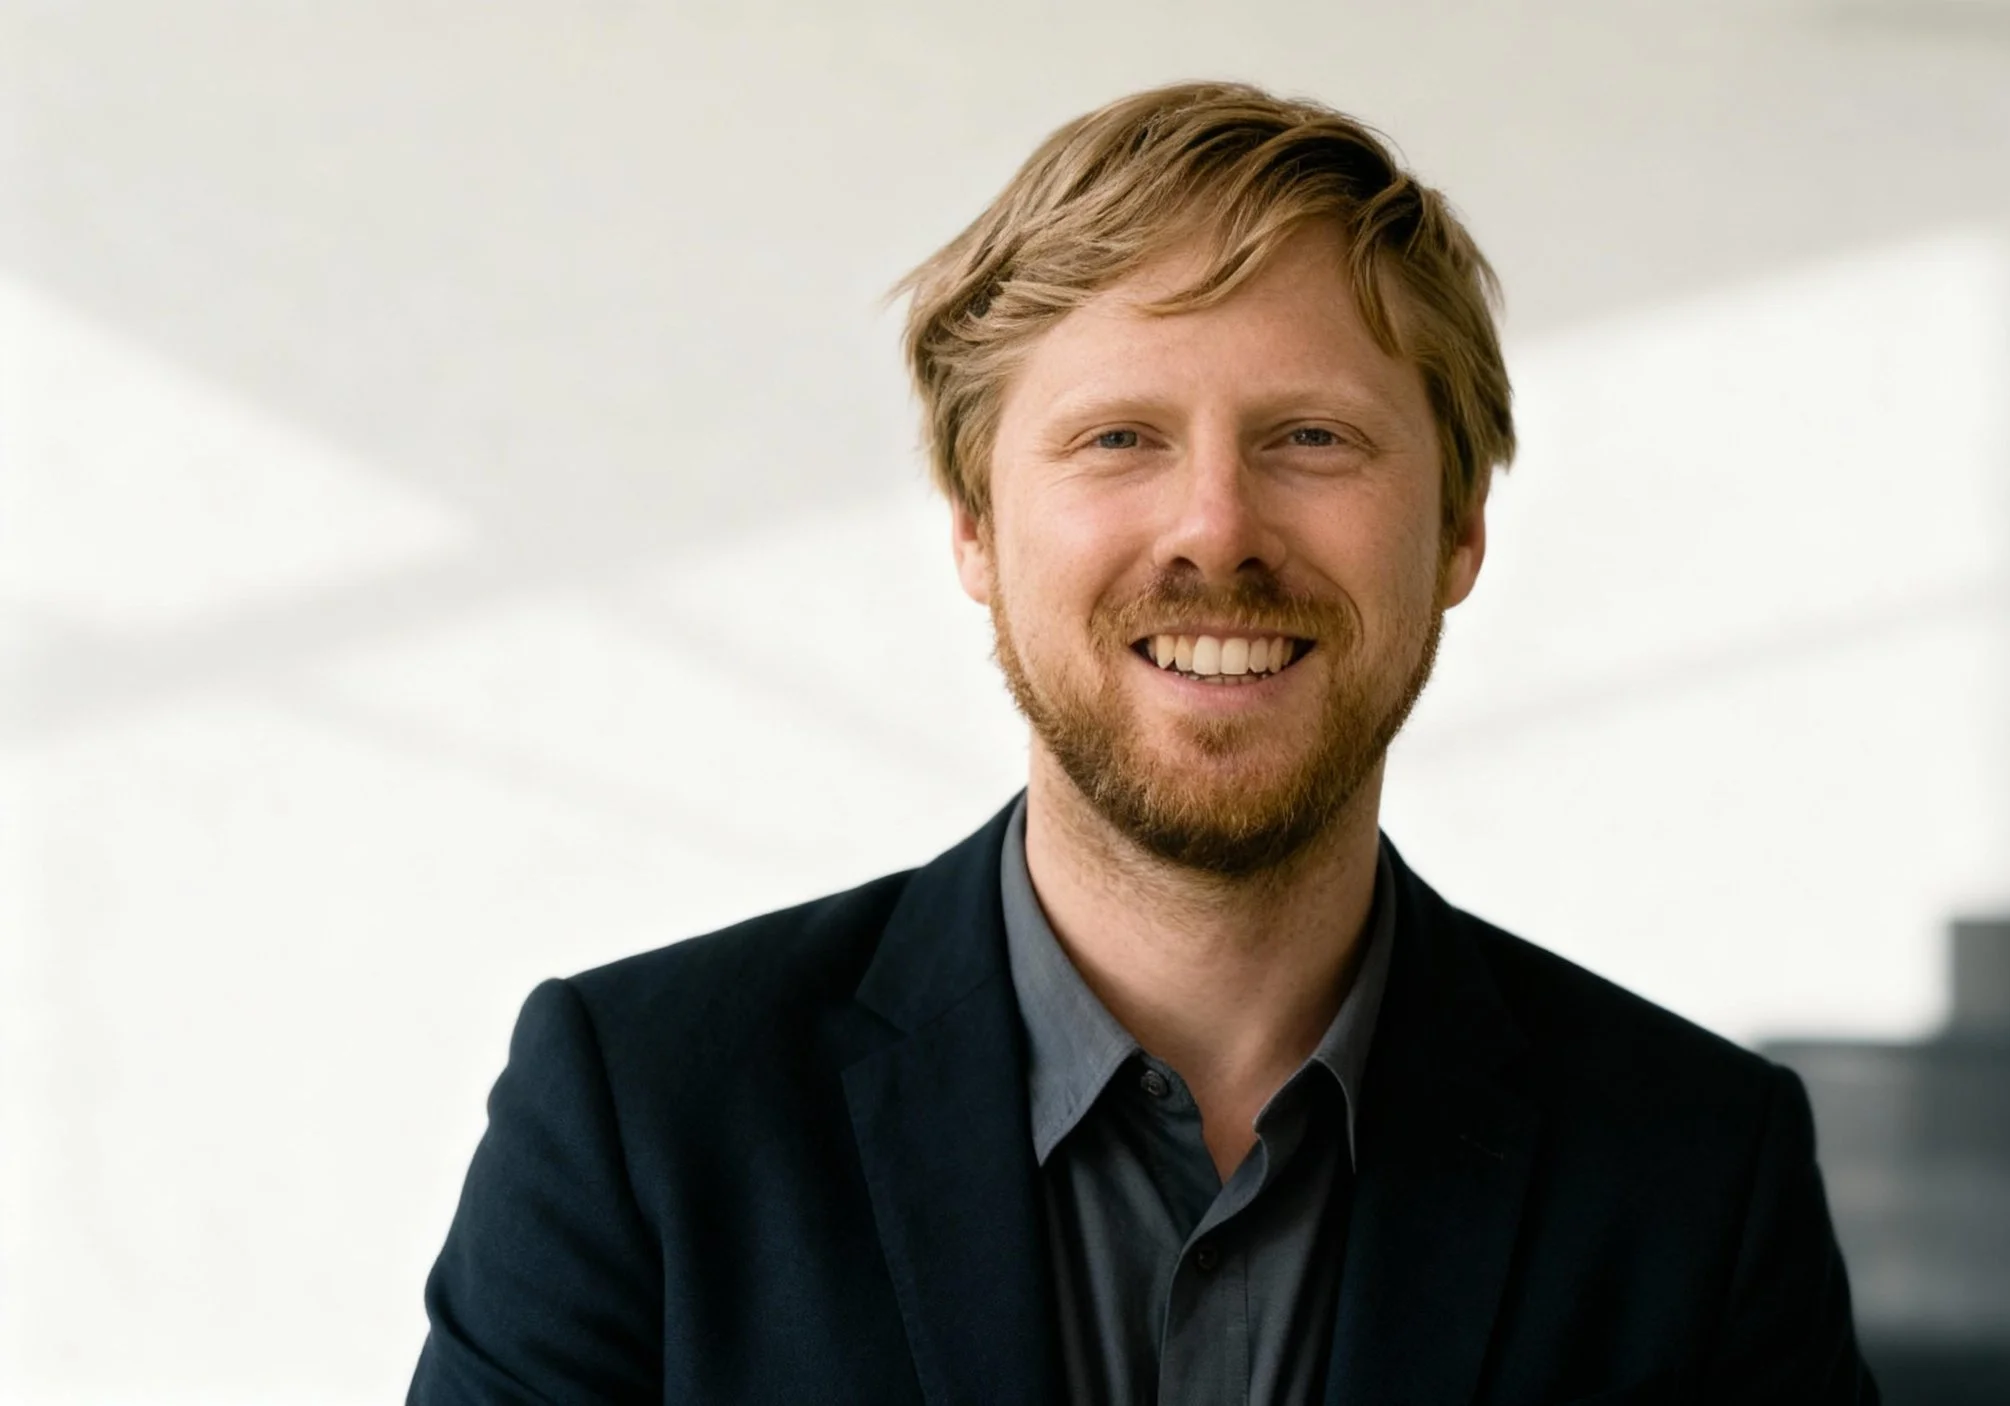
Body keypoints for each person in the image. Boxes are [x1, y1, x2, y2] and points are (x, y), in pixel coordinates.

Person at [408, 81, 1876, 1405]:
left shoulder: (1696, 1175)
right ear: (977, 530)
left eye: (1313, 436)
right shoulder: (643, 1119)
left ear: (1460, 531)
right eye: (1120, 437)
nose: (1216, 528)